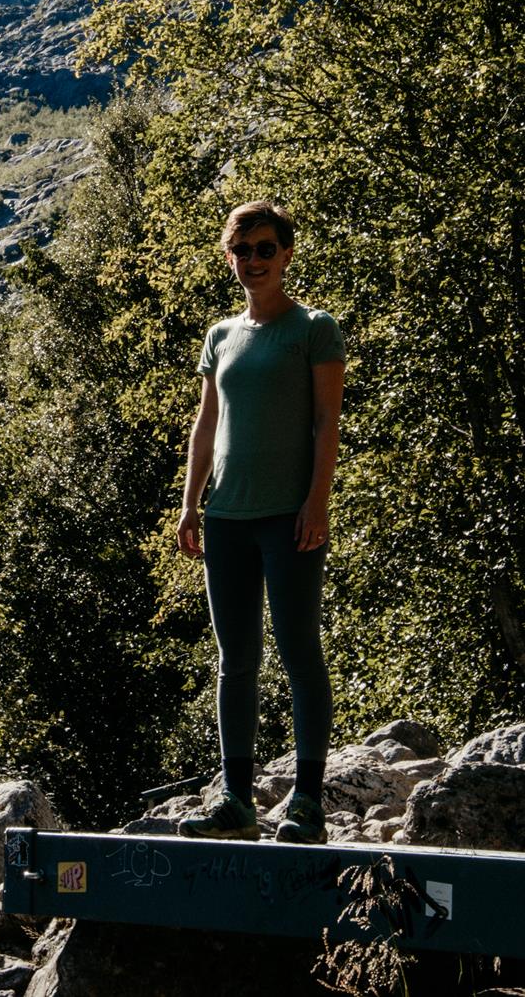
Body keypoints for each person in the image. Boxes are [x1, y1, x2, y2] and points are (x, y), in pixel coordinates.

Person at [176, 200, 345, 845]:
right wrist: (190, 504)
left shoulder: (314, 329)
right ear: (230, 257)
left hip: (288, 516)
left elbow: (326, 422)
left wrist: (317, 501)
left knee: (300, 652)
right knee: (236, 659)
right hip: (226, 517)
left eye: (265, 249)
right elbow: (205, 425)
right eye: (242, 250)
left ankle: (307, 802)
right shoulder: (220, 335)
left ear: (286, 254)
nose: (253, 260)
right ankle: (237, 801)